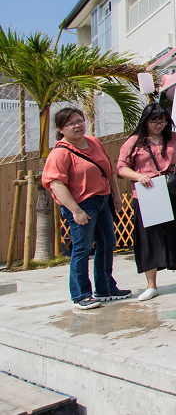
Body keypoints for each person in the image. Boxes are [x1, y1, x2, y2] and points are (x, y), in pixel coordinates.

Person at [42, 107, 131, 309]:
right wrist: (75, 210)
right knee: (82, 248)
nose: (77, 125)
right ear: (61, 129)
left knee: (108, 243)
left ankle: (106, 289)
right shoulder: (60, 152)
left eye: (79, 120)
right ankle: (81, 295)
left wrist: (115, 196)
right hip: (81, 204)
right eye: (70, 123)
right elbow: (56, 183)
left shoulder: (94, 142)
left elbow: (108, 171)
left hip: (102, 200)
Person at [116, 103, 176, 302]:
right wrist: (138, 176)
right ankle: (151, 285)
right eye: (154, 122)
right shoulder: (134, 142)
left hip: (173, 192)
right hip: (148, 194)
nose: (158, 125)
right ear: (145, 121)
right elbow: (121, 168)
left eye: (162, 122)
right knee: (148, 239)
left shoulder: (174, 139)